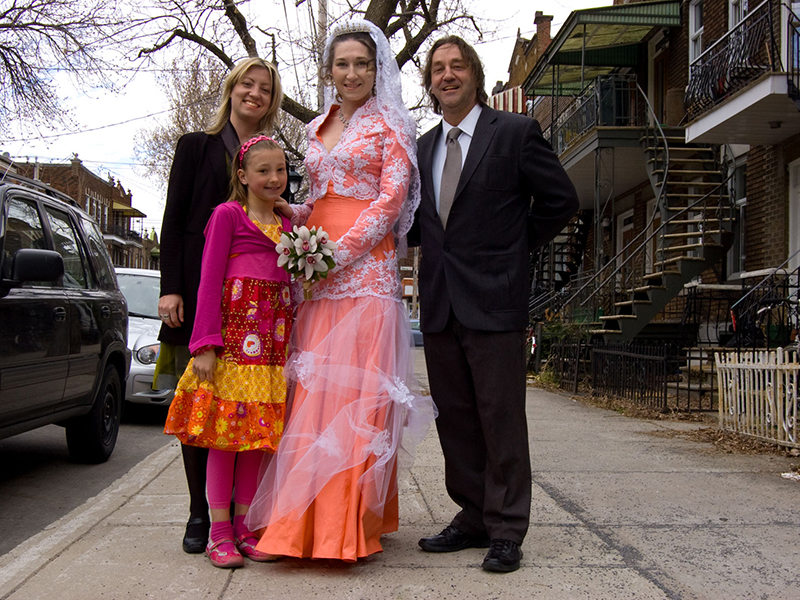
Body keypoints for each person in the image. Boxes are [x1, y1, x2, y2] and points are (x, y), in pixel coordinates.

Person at [246, 19, 435, 562]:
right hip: (318, 276)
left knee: (354, 399)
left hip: (364, 275)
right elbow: (321, 198)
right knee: (311, 398)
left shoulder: (392, 123)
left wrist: (335, 255)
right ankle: (296, 527)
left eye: (362, 64)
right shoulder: (316, 127)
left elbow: (389, 202)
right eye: (342, 64)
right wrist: (294, 216)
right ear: (329, 70)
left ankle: (343, 531)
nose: (352, 73)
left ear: (377, 70)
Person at [411, 36, 579, 573]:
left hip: (495, 301)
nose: (448, 75)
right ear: (430, 83)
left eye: (457, 65)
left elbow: (562, 200)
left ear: (475, 75)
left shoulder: (515, 133)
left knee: (500, 416)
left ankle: (507, 528)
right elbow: (419, 224)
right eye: (438, 69)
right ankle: (473, 514)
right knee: (454, 418)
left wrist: (515, 246)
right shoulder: (421, 148)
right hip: (439, 304)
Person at [156, 57, 283, 554]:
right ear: (232, 89)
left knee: (242, 412)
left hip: (254, 315)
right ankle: (200, 515)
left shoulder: (271, 156)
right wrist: (172, 287)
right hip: (198, 295)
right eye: (247, 85)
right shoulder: (197, 146)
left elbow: (273, 221)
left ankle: (238, 519)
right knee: (204, 410)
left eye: (265, 89)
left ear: (272, 101)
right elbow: (173, 218)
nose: (255, 94)